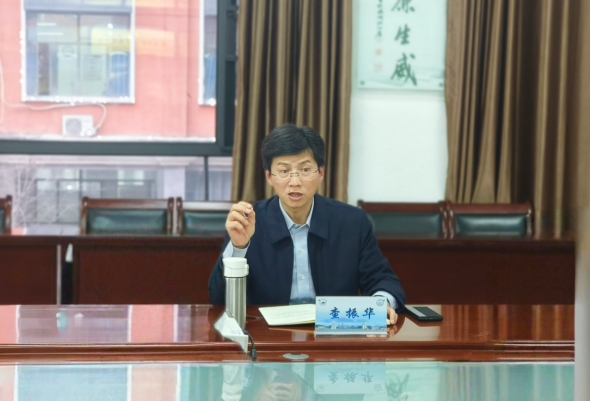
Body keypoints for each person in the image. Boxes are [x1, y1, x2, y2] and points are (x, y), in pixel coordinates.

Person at [209, 124, 406, 324]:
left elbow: (382, 280)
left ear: (321, 173)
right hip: (267, 336)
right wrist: (238, 247)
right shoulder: (248, 221)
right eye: (284, 171)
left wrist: (380, 303)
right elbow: (218, 297)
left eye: (305, 170)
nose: (295, 182)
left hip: (334, 333)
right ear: (269, 176)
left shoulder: (352, 222)